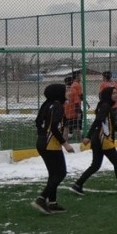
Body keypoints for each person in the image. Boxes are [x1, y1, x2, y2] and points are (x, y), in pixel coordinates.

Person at [70, 87, 117, 195]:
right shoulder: (105, 106)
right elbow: (98, 121)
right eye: (114, 93)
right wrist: (88, 136)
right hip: (103, 140)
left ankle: (77, 185)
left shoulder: (104, 106)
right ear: (108, 95)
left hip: (98, 140)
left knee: (95, 165)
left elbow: (112, 125)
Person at [31, 83, 75, 214]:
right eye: (65, 90)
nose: (68, 92)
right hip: (51, 144)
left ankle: (52, 203)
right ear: (58, 93)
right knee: (61, 173)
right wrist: (64, 143)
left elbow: (38, 123)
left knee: (53, 174)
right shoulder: (57, 107)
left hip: (41, 142)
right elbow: (54, 127)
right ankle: (41, 198)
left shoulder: (46, 105)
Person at [99, 71, 117, 138]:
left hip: (107, 106)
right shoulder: (116, 84)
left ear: (104, 77)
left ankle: (108, 135)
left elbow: (100, 96)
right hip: (115, 106)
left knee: (107, 121)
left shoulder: (103, 84)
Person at [63, 75, 81, 140]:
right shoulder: (73, 90)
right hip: (72, 112)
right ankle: (81, 141)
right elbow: (76, 102)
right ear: (72, 81)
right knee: (76, 128)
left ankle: (65, 142)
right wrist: (78, 112)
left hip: (65, 111)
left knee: (66, 128)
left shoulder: (63, 90)